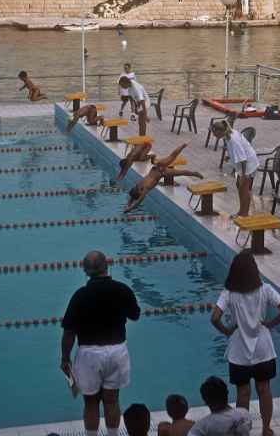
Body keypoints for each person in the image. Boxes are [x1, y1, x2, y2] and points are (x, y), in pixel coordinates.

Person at [210, 250, 280, 436]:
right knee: (264, 389)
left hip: (239, 350)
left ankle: (242, 431)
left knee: (243, 393)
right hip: (263, 348)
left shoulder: (229, 294)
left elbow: (214, 318)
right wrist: (270, 324)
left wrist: (227, 331)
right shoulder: (266, 290)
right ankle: (266, 428)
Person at [60, 250, 140, 436]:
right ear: (107, 265)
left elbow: (69, 332)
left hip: (89, 354)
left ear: (85, 271)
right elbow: (135, 315)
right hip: (116, 351)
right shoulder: (122, 289)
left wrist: (65, 358)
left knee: (90, 402)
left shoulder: (80, 296)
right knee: (112, 400)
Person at [124, 146, 203, 212]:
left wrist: (129, 209)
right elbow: (133, 195)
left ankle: (184, 147)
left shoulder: (145, 189)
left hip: (161, 171)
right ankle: (194, 172)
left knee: (176, 162)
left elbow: (138, 202)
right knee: (175, 160)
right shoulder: (138, 185)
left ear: (139, 192)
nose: (134, 187)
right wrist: (128, 204)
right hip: (156, 168)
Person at [211, 121, 259, 218]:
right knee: (240, 186)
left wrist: (244, 175)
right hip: (246, 163)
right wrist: (230, 157)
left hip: (248, 165)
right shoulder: (229, 134)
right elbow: (239, 151)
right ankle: (241, 212)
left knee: (244, 188)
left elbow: (243, 159)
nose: (213, 134)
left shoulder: (233, 139)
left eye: (214, 132)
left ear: (220, 131)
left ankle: (244, 215)